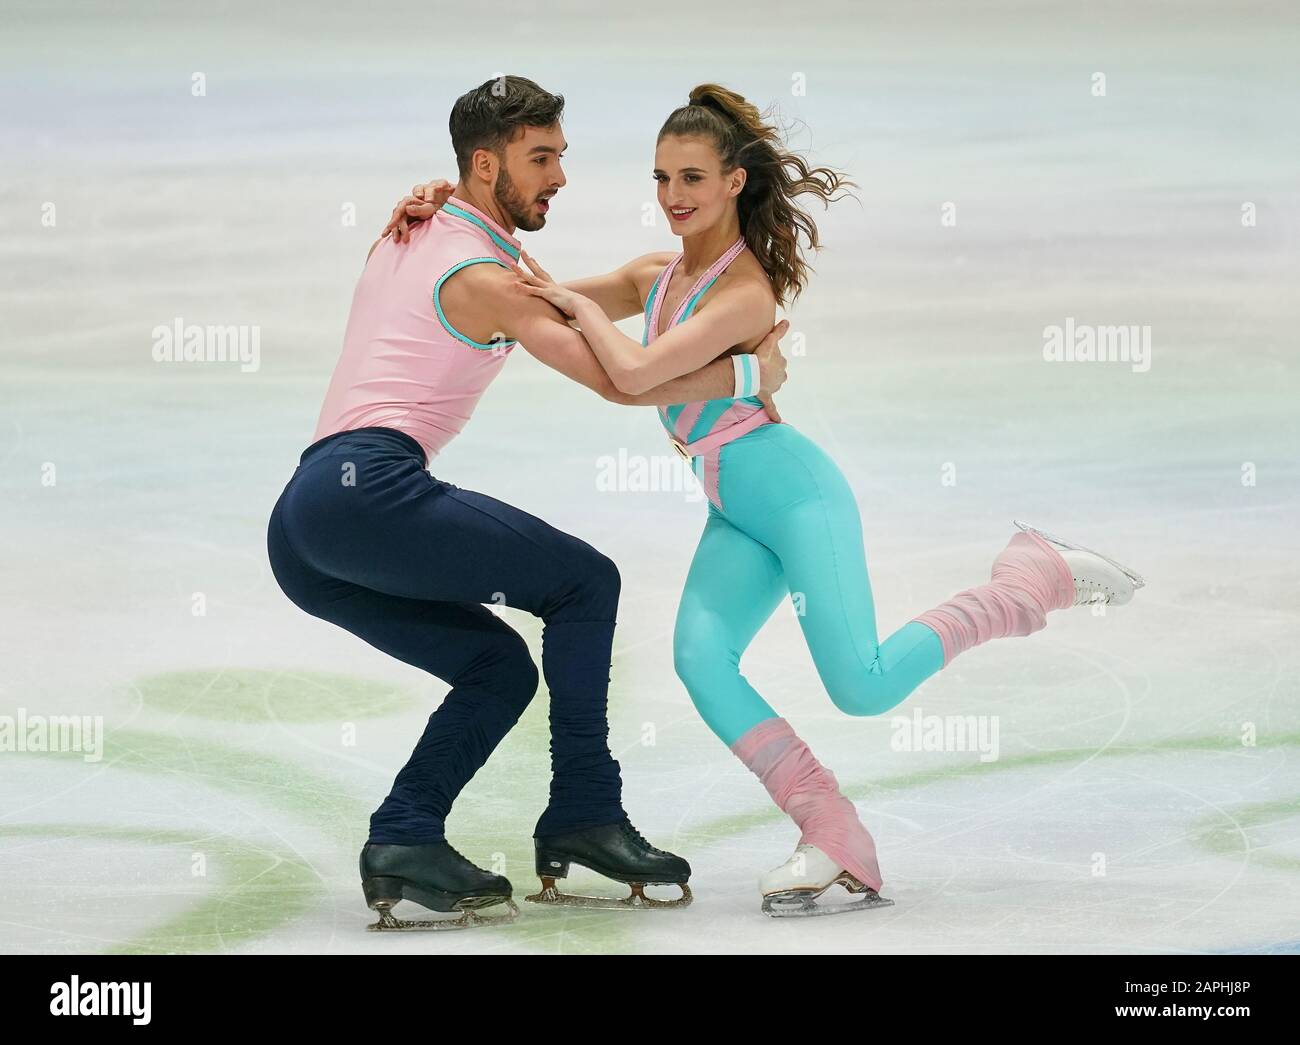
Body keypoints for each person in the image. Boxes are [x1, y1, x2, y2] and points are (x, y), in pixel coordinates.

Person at [390, 82, 1144, 918]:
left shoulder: (745, 291)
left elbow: (637, 376)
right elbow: (522, 297)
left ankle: (1024, 587)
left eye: (693, 180)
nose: (674, 197)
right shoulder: (658, 273)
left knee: (860, 684)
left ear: (734, 183)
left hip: (792, 494)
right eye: (662, 178)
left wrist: (690, 349)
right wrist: (451, 206)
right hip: (731, 504)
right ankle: (832, 828)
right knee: (702, 660)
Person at [266, 76, 789, 930]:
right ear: (484, 164)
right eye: (540, 158)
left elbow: (607, 292)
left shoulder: (431, 229)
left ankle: (405, 834)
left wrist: (692, 276)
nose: (559, 177)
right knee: (586, 583)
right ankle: (585, 810)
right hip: (367, 491)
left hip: (302, 523)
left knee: (497, 668)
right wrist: (750, 373)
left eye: (560, 157)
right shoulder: (485, 275)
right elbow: (623, 381)